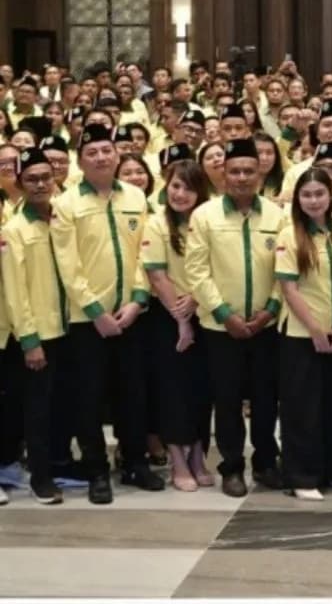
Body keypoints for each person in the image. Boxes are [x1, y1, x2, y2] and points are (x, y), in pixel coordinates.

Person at [50, 123, 162, 504]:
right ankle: (96, 468)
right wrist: (96, 311)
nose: (101, 157)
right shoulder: (66, 204)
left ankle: (134, 462)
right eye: (92, 152)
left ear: (118, 155)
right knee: (89, 396)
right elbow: (68, 266)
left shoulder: (135, 195)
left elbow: (144, 254)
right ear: (80, 160)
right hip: (87, 321)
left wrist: (136, 300)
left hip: (131, 314)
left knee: (133, 392)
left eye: (107, 150)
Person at [185, 137, 286, 497]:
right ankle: (231, 466)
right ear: (223, 175)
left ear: (260, 173)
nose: (242, 177)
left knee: (265, 398)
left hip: (267, 325)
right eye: (234, 171)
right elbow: (196, 271)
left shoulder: (278, 215)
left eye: (249, 170)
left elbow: (286, 269)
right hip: (219, 326)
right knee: (226, 399)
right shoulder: (204, 215)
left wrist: (271, 309)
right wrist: (224, 314)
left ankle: (265, 462)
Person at [275, 168, 332, 501]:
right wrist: (316, 330)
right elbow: (289, 289)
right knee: (301, 408)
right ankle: (301, 477)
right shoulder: (289, 235)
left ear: (330, 195)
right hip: (300, 335)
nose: (313, 200)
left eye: (319, 193)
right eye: (306, 195)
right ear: (297, 199)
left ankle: (331, 469)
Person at [2, 148, 70, 504]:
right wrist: (29, 340)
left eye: (46, 177)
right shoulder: (14, 230)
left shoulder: (62, 219)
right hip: (35, 335)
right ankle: (40, 478)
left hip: (66, 328)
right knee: (33, 410)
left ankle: (54, 466)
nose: (41, 184)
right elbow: (15, 290)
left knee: (57, 406)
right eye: (32, 179)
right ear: (20, 183)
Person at [141, 159, 213, 492]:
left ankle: (198, 455)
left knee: (201, 389)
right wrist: (182, 319)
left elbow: (215, 268)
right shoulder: (156, 223)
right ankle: (178, 461)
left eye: (188, 187)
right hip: (167, 316)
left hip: (206, 311)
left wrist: (197, 300)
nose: (180, 194)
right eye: (175, 186)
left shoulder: (208, 220)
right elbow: (157, 274)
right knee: (172, 391)